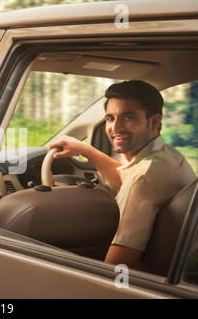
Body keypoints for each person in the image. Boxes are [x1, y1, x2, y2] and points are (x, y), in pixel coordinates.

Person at [48, 80, 196, 269]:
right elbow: (125, 177)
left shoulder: (144, 177)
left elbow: (118, 266)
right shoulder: (168, 157)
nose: (115, 127)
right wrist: (86, 149)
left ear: (154, 121)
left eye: (128, 117)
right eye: (110, 118)